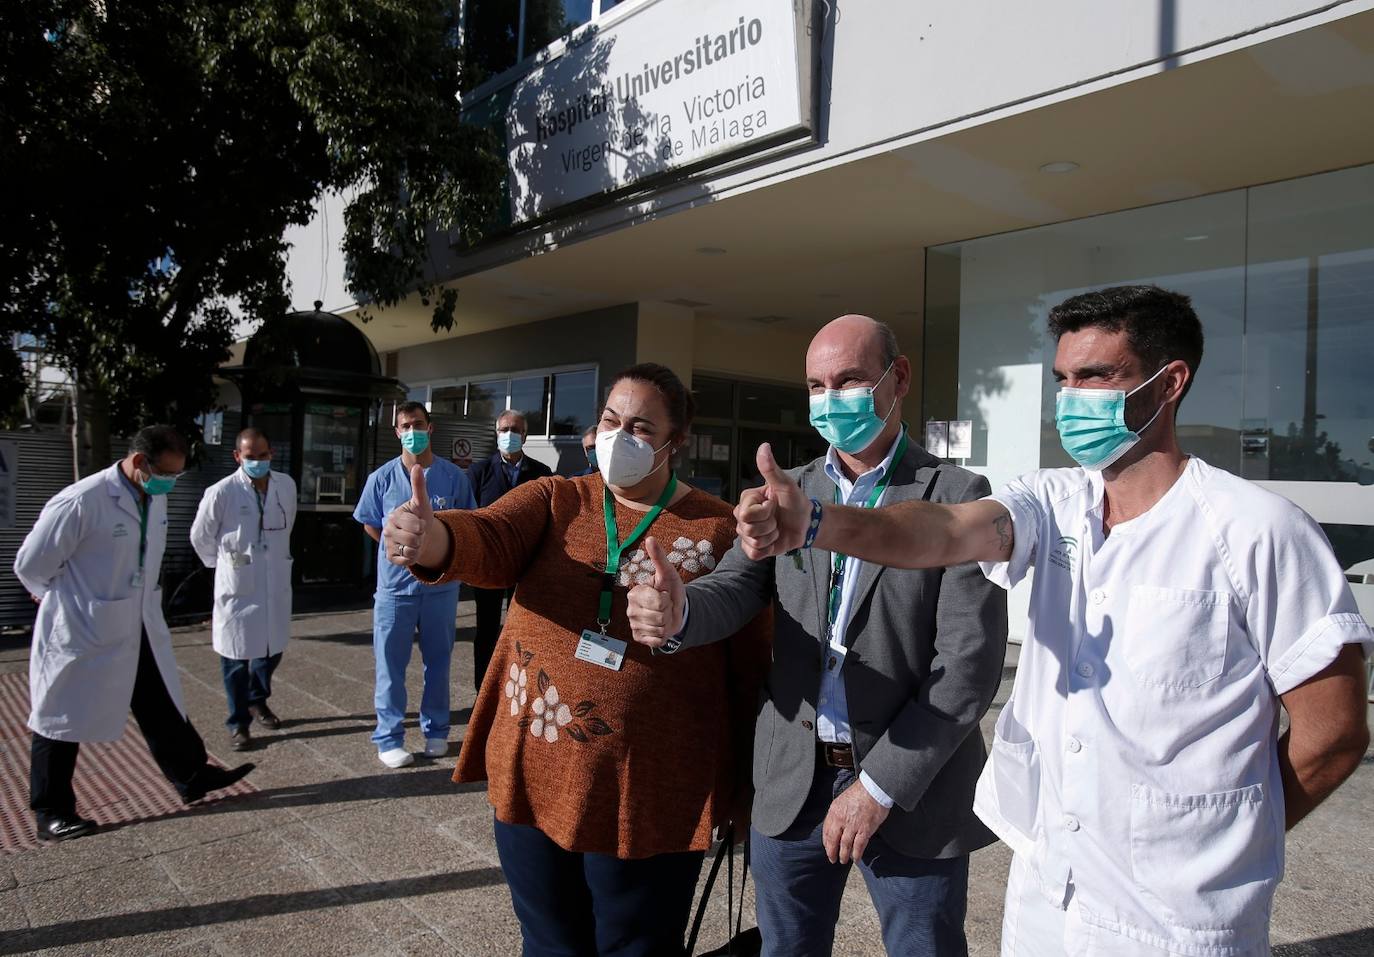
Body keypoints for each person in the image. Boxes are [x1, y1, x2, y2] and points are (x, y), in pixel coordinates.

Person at [731, 286, 1373, 957]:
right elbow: (945, 531)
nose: (1073, 397)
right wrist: (820, 522)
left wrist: (1226, 839)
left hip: (1182, 918)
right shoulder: (1052, 501)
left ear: (1170, 382)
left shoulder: (1260, 531)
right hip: (1048, 898)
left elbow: (1333, 732)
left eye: (1097, 375)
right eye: (1063, 377)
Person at [628, 316, 1008, 957]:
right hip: (793, 783)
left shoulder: (955, 498)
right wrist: (680, 614)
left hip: (909, 787)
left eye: (850, 380)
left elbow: (967, 668)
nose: (832, 400)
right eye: (816, 385)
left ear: (899, 378)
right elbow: (736, 589)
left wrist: (877, 788)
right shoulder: (790, 491)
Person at [382, 363, 771, 957]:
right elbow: (489, 537)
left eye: (641, 427)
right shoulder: (556, 498)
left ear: (678, 440)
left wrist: (743, 791)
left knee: (637, 945)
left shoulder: (719, 529)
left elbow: (747, 669)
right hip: (534, 766)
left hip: (651, 788)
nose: (621, 437)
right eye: (611, 421)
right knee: (549, 942)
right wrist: (435, 539)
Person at [14, 425, 255, 842]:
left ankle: (192, 775)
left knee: (158, 700)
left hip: (135, 621)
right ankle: (51, 811)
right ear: (140, 462)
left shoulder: (152, 497)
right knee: (59, 713)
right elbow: (31, 565)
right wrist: (55, 598)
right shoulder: (81, 501)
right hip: (83, 626)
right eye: (166, 474)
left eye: (177, 476)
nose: (170, 483)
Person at [353, 401, 476, 768]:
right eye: (405, 425)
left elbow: (467, 525)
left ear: (430, 427)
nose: (412, 430)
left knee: (438, 662)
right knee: (390, 665)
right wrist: (400, 551)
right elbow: (369, 522)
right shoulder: (381, 479)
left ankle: (437, 731)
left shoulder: (454, 478)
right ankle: (389, 737)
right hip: (395, 589)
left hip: (440, 587)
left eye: (418, 424)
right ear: (396, 432)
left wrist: (434, 555)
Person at [191, 427, 298, 751]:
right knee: (235, 657)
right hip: (238, 585)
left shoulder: (285, 486)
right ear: (238, 456)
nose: (257, 462)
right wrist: (223, 565)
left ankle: (257, 699)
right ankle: (239, 723)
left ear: (271, 454)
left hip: (274, 581)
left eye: (263, 456)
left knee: (272, 647)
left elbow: (287, 523)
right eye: (250, 457)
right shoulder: (221, 492)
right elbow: (201, 536)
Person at [466, 410, 553, 691]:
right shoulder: (479, 472)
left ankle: (519, 690)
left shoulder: (542, 473)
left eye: (515, 430)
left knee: (524, 630)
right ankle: (484, 690)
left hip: (527, 567)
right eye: (504, 429)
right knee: (487, 631)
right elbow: (468, 516)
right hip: (489, 566)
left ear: (525, 436)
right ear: (496, 433)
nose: (509, 435)